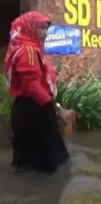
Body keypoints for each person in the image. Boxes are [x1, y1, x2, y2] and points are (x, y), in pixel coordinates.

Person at [4, 11, 70, 173]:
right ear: (30, 28)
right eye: (41, 28)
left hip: (30, 109)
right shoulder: (28, 51)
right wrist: (56, 109)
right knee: (50, 162)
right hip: (34, 111)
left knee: (29, 163)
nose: (45, 33)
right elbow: (33, 86)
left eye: (46, 28)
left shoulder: (31, 49)